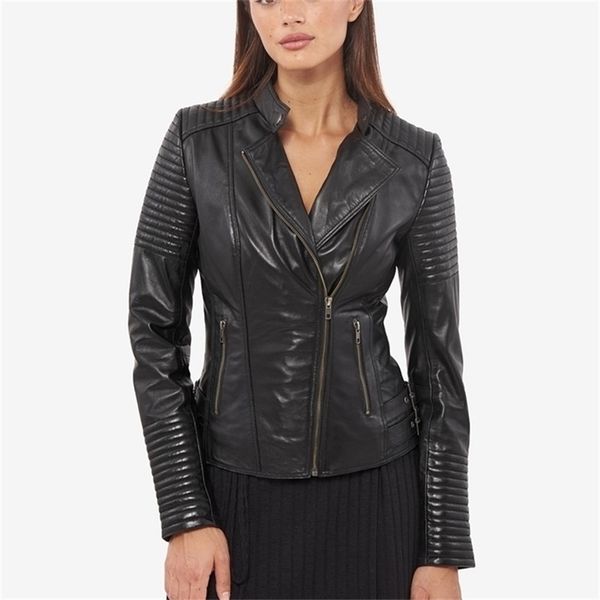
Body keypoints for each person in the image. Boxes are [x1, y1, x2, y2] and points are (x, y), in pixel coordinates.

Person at [127, 0, 476, 598]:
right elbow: (154, 335)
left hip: (377, 492)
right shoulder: (197, 143)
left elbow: (439, 369)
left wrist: (441, 547)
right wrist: (185, 512)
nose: (288, 15)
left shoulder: (415, 160)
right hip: (233, 491)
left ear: (355, 3)